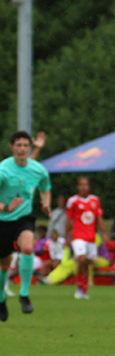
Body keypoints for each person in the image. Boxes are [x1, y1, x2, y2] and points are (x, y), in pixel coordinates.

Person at [0, 131, 52, 319]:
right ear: (12, 147)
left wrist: (46, 202)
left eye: (25, 145)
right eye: (18, 145)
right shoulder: (3, 171)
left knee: (28, 248)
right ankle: (1, 298)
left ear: (29, 148)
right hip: (2, 220)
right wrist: (5, 206)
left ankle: (24, 295)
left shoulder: (38, 169)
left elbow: (45, 188)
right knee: (4, 265)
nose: (22, 149)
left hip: (24, 217)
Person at [65, 176, 108, 300]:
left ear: (89, 186)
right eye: (81, 185)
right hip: (78, 236)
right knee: (82, 259)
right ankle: (78, 288)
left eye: (86, 184)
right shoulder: (72, 201)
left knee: (88, 263)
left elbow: (99, 217)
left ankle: (84, 289)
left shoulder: (95, 200)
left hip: (90, 237)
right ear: (78, 187)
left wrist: (104, 233)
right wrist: (66, 235)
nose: (84, 187)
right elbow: (68, 219)